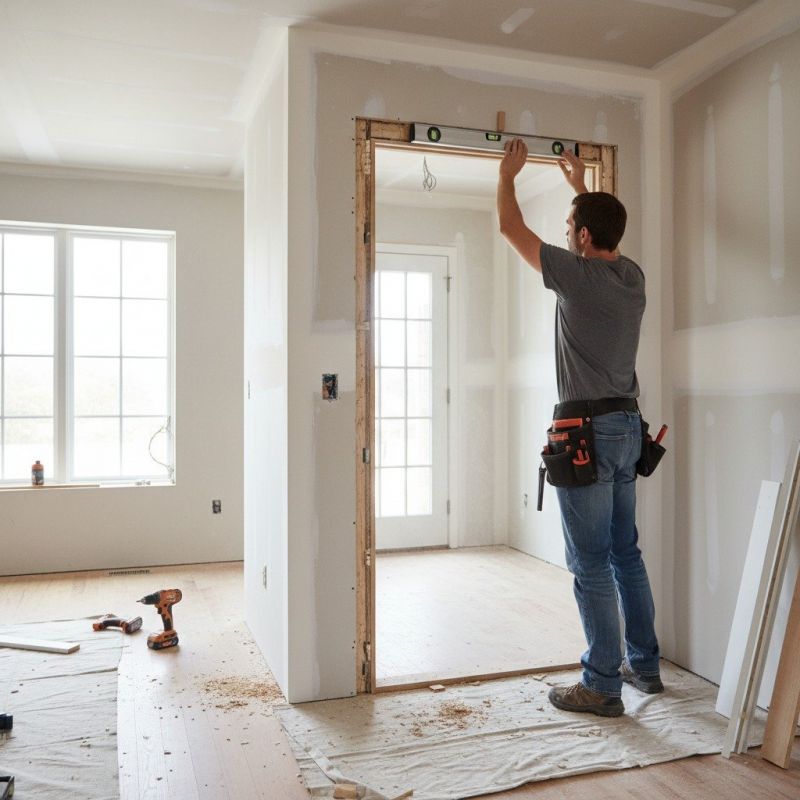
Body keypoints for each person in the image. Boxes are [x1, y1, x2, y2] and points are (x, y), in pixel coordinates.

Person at [497, 138, 662, 718]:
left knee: (590, 560)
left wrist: (507, 174)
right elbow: (602, 233)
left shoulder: (576, 276)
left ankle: (601, 685)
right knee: (625, 553)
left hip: (586, 432)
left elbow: (510, 228)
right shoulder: (632, 278)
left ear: (583, 237)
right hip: (626, 426)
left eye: (571, 225)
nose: (567, 233)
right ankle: (642, 667)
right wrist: (582, 190)